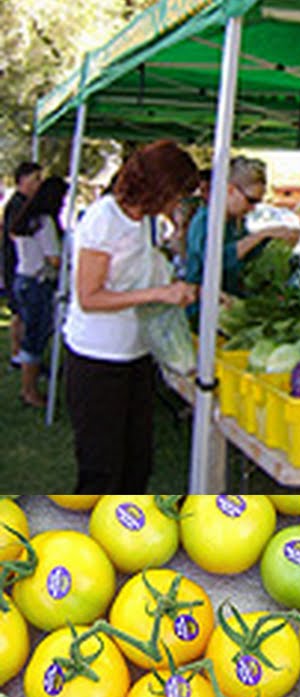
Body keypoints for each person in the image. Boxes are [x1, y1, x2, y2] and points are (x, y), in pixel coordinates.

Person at [63, 140, 200, 493]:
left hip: (135, 354)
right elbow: (89, 297)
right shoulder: (103, 219)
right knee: (101, 468)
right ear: (160, 189)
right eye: (177, 195)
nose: (178, 204)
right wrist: (159, 294)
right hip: (97, 361)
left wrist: (179, 288)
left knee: (137, 463)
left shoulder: (143, 222)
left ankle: (127, 537)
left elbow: (144, 275)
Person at [182, 157, 300, 304]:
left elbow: (248, 258)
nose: (253, 208)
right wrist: (261, 235)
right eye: (251, 200)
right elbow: (215, 261)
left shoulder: (235, 222)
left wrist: (277, 242)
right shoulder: (206, 221)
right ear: (230, 190)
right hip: (203, 312)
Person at [9, 176, 69, 408]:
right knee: (35, 338)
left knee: (29, 336)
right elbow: (54, 259)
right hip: (37, 283)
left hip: (22, 278)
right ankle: (30, 391)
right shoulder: (44, 222)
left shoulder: (25, 218)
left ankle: (28, 387)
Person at [4, 162, 42, 367]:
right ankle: (17, 354)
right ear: (22, 180)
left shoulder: (23, 203)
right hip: (16, 264)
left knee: (20, 312)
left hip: (18, 264)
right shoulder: (18, 204)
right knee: (19, 312)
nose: (39, 184)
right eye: (35, 179)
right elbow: (14, 235)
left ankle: (19, 356)